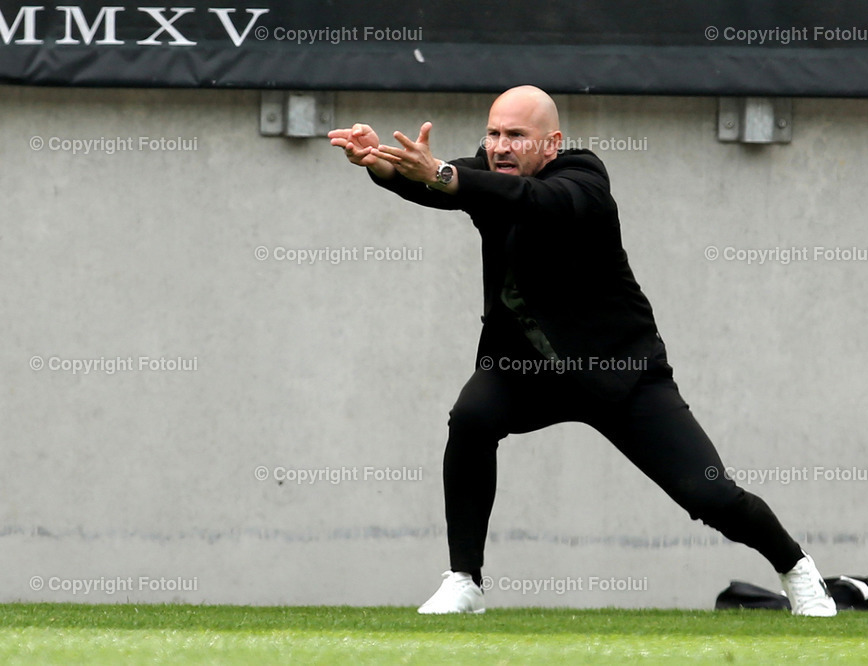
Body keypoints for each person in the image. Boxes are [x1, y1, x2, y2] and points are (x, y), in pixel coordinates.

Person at [328, 85, 836, 617]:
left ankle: (797, 569)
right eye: (494, 133)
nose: (500, 146)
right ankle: (465, 581)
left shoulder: (583, 179)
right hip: (523, 369)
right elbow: (437, 185)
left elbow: (530, 201)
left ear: (551, 143)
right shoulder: (486, 175)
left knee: (710, 497)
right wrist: (381, 166)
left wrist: (442, 175)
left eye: (516, 136)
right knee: (471, 418)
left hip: (618, 372)